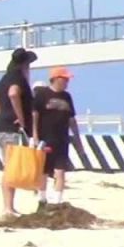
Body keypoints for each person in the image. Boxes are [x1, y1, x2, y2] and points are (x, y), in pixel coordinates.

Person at [0, 47, 37, 215]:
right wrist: (21, 118)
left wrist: (2, 113)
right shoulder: (17, 78)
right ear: (25, 64)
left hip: (2, 126)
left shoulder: (6, 77)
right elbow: (13, 94)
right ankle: (8, 208)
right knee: (11, 168)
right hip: (12, 129)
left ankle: (9, 207)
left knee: (10, 166)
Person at [32, 66, 81, 206]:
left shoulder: (67, 96)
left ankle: (57, 201)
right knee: (44, 171)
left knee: (60, 170)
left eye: (67, 79)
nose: (67, 82)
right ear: (56, 79)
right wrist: (35, 136)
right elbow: (35, 115)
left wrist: (78, 139)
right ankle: (42, 198)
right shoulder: (42, 94)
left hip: (62, 139)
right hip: (45, 138)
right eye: (64, 79)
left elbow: (72, 119)